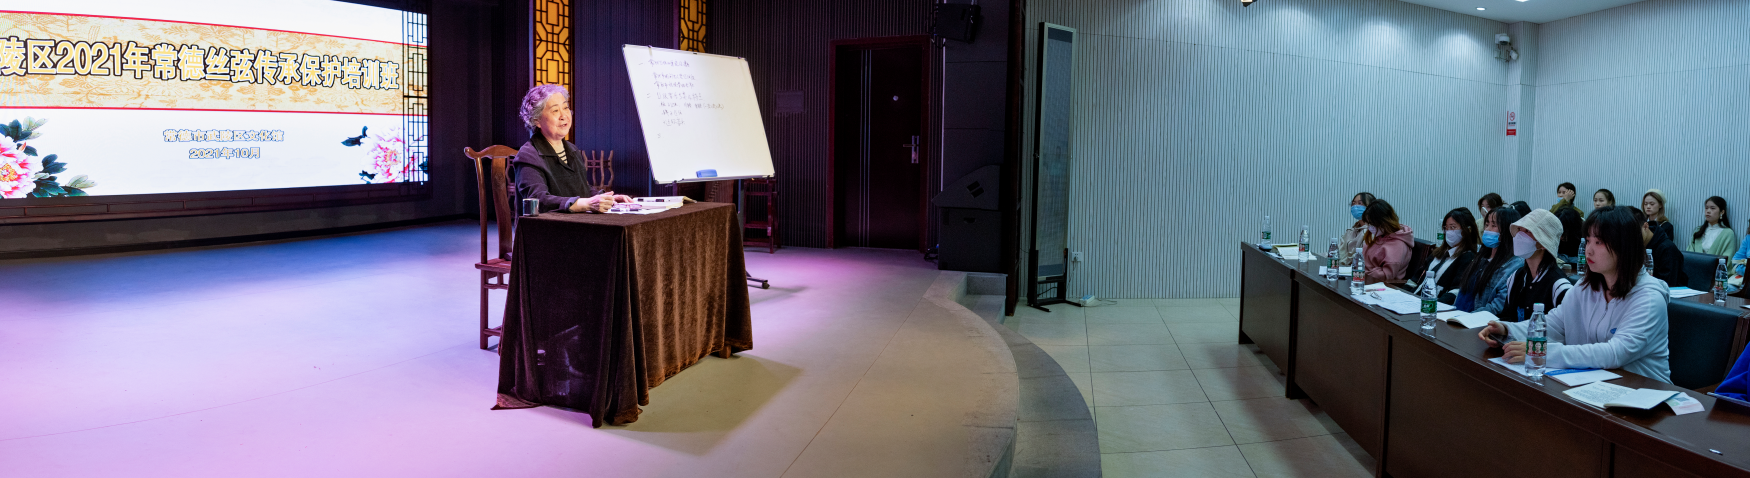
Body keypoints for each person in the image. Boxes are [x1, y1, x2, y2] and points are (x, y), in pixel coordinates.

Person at [1479, 207, 1671, 384]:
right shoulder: (1585, 287)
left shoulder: (1649, 298)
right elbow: (1554, 324)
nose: (1589, 250)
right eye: (1588, 241)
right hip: (1597, 384)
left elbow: (1616, 352)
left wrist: (1544, 352)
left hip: (1645, 392)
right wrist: (1507, 330)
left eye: (1599, 242)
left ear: (1624, 246)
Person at [513, 84, 630, 213]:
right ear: (536, 120)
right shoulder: (528, 155)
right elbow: (538, 200)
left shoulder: (572, 149)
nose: (564, 115)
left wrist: (606, 199)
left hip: (575, 222)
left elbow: (582, 189)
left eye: (565, 107)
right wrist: (587, 204)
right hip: (546, 224)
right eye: (555, 110)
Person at [1499, 209, 1573, 322]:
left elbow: (1565, 328)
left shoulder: (1559, 287)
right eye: (1519, 230)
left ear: (1543, 243)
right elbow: (1507, 318)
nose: (1519, 235)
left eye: (1527, 231)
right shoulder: (1515, 278)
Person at [1454, 207, 1524, 314]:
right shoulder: (1481, 257)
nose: (1487, 229)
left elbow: (1498, 306)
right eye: (1487, 225)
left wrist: (1468, 318)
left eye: (1493, 225)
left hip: (1478, 320)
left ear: (1508, 230)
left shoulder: (1515, 264)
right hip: (1459, 316)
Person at [1420, 208, 1478, 301]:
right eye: (1446, 228)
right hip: (1416, 298)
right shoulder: (1438, 252)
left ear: (1468, 230)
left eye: (1453, 227)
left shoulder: (1467, 257)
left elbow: (1455, 291)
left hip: (1435, 304)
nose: (1448, 231)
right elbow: (1415, 279)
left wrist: (1434, 305)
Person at [1629, 207, 1687, 288]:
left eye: (1633, 234)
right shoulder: (1632, 245)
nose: (1630, 239)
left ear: (1645, 226)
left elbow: (1666, 286)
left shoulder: (1667, 249)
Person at [1360, 199, 1415, 283]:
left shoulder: (1398, 244)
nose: (1370, 227)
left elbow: (1386, 275)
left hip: (1383, 284)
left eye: (1372, 224)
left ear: (1384, 222)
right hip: (1366, 279)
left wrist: (1363, 273)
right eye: (1368, 224)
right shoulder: (1379, 236)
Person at [1340, 192, 1377, 264]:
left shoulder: (1372, 231)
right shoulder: (1352, 231)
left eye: (1360, 203)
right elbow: (1339, 252)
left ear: (1371, 207)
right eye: (1353, 203)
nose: (1355, 206)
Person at [1553, 183, 1586, 262]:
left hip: (1572, 248)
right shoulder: (1554, 208)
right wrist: (1564, 201)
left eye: (1564, 193)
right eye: (1559, 192)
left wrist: (1566, 200)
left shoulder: (1578, 213)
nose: (1561, 195)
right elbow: (1551, 215)